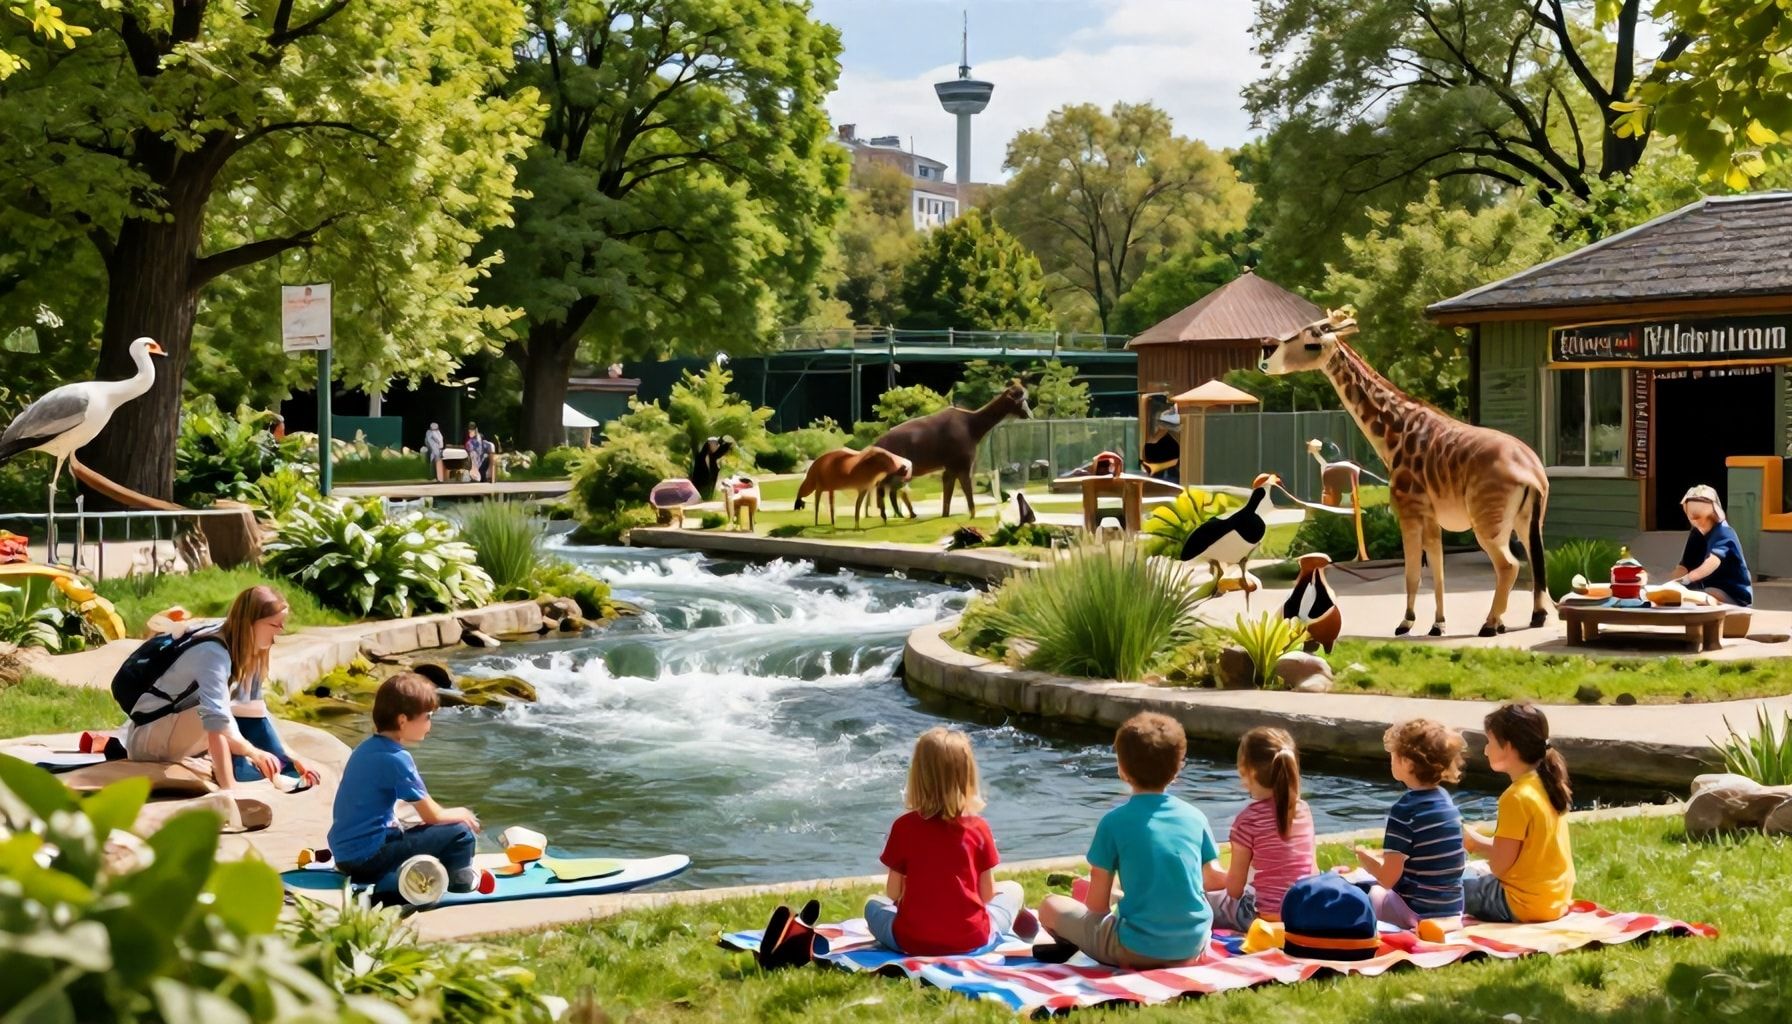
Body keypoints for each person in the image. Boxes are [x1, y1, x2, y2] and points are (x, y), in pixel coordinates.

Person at [1036, 712, 1219, 967]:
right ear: (1178, 767)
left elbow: (1097, 907)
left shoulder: (1114, 822)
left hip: (1135, 950)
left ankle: (1076, 944)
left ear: (1122, 769)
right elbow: (1210, 879)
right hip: (1192, 946)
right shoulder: (1195, 817)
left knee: (1050, 906)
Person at [123, 585, 319, 790]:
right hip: (150, 741)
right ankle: (228, 786)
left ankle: (220, 766)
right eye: (275, 624)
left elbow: (253, 714)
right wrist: (251, 757)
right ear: (251, 623)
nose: (281, 631)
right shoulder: (213, 653)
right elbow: (216, 721)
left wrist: (292, 758)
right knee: (213, 715)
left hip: (168, 728)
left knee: (223, 714)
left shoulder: (237, 640)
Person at [864, 727, 1031, 955]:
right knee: (1012, 889)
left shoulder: (903, 827)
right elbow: (987, 896)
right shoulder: (979, 828)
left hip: (912, 941)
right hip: (973, 939)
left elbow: (892, 894)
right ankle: (1017, 927)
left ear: (918, 775)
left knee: (872, 904)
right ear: (967, 775)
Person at [328, 673, 484, 895]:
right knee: (460, 832)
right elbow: (434, 816)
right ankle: (460, 880)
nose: (430, 724)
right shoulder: (397, 758)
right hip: (369, 859)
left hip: (346, 856)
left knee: (416, 829)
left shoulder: (365, 748)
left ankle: (414, 871)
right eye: (427, 717)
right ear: (403, 720)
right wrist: (463, 813)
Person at [1461, 702, 1575, 923]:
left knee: (1436, 887)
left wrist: (1475, 842)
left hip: (1521, 904)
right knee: (1473, 870)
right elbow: (1524, 854)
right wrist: (1477, 844)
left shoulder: (1515, 797)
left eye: (1490, 742)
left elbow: (1500, 866)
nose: (1485, 750)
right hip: (1554, 901)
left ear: (1509, 747)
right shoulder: (1547, 783)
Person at [1354, 719, 1467, 931]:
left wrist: (1368, 863)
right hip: (1453, 909)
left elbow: (1388, 879)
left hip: (1416, 909)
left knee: (1374, 893)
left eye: (1393, 756)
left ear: (1407, 763)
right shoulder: (1445, 799)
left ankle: (1421, 924)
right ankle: (1439, 926)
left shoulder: (1405, 809)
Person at [1207, 727, 1315, 929]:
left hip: (1259, 917)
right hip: (1301, 913)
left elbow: (1234, 890)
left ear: (1251, 772)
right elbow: (1312, 870)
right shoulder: (1303, 810)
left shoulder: (1248, 820)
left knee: (1207, 902)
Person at [1666, 484, 1752, 606]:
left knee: (1702, 596)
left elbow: (1712, 562)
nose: (1696, 521)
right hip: (1706, 588)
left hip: (1734, 595)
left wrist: (1688, 579)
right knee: (1681, 596)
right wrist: (1669, 585)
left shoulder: (1724, 533)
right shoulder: (1696, 533)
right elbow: (1684, 567)